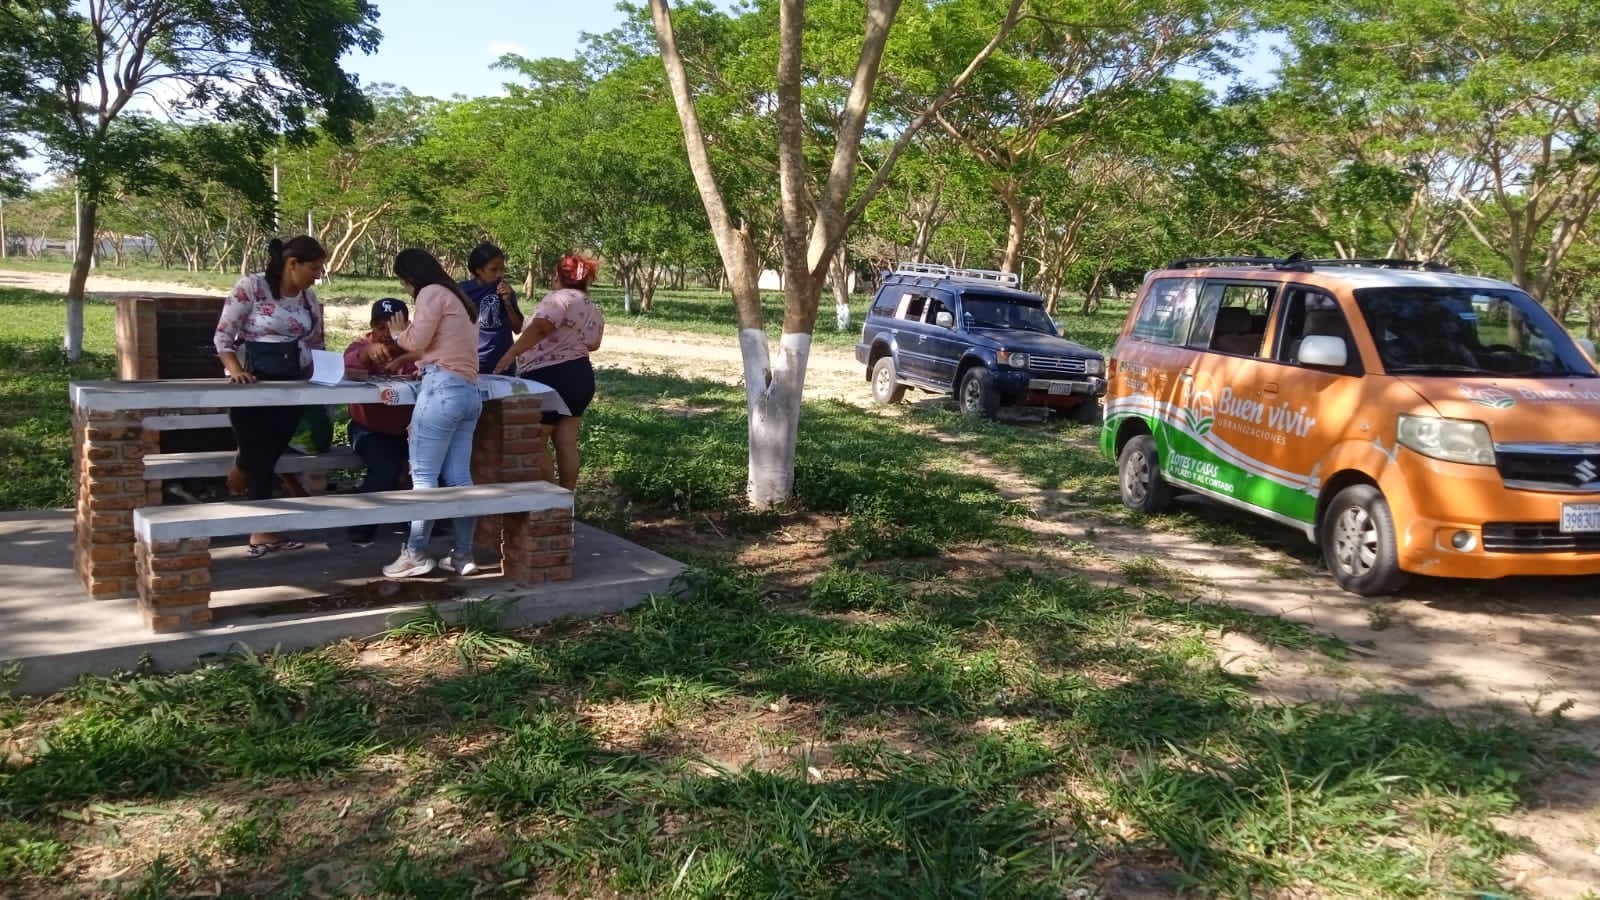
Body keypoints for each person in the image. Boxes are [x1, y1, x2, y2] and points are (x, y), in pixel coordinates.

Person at [367, 249, 484, 579]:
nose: (405, 289)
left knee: (424, 477)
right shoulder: (461, 298)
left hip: (441, 391)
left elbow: (415, 340)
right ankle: (463, 554)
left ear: (410, 277)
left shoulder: (432, 293)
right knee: (460, 478)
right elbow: (430, 345)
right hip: (469, 392)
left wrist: (396, 332)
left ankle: (415, 552)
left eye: (403, 282)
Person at [213, 235, 326, 558]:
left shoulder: (309, 299)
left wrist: (322, 374)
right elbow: (224, 335)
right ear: (293, 264)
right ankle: (261, 531)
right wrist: (235, 369)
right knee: (260, 457)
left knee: (267, 455)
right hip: (253, 385)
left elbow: (317, 341)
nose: (318, 274)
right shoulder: (251, 287)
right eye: (314, 268)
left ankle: (243, 479)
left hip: (292, 387)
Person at [492, 252, 605, 491]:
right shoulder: (591, 307)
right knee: (566, 442)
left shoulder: (558, 299)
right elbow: (593, 344)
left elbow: (541, 327)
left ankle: (549, 504)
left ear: (559, 276)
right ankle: (567, 501)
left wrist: (511, 354)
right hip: (580, 376)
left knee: (537, 440)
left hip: (548, 377)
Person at [342, 298, 421, 546]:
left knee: (425, 471)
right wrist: (365, 355)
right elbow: (347, 363)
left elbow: (434, 363)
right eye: (380, 327)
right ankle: (362, 524)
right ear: (372, 327)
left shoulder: (417, 349)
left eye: (394, 326)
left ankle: (420, 527)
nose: (386, 334)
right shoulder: (361, 345)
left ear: (408, 325)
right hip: (368, 430)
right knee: (385, 469)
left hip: (410, 432)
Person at [460, 242, 525, 375]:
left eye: (502, 269)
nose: (499, 274)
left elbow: (518, 328)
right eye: (494, 269)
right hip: (472, 361)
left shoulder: (505, 290)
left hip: (502, 361)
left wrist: (507, 303)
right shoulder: (462, 291)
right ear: (478, 270)